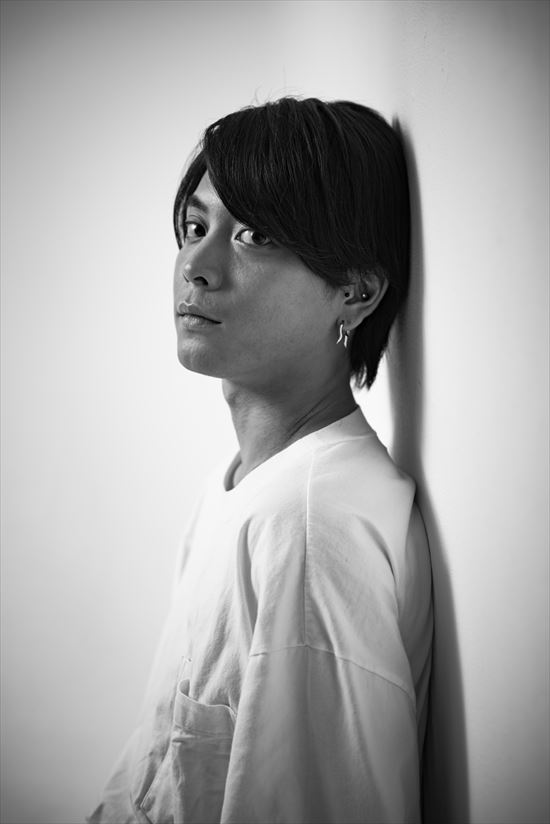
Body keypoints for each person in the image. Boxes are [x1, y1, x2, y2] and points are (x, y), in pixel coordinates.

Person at [88, 96, 432, 824]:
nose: (196, 266)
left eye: (255, 235)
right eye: (195, 227)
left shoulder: (306, 528)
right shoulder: (246, 487)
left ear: (356, 291)